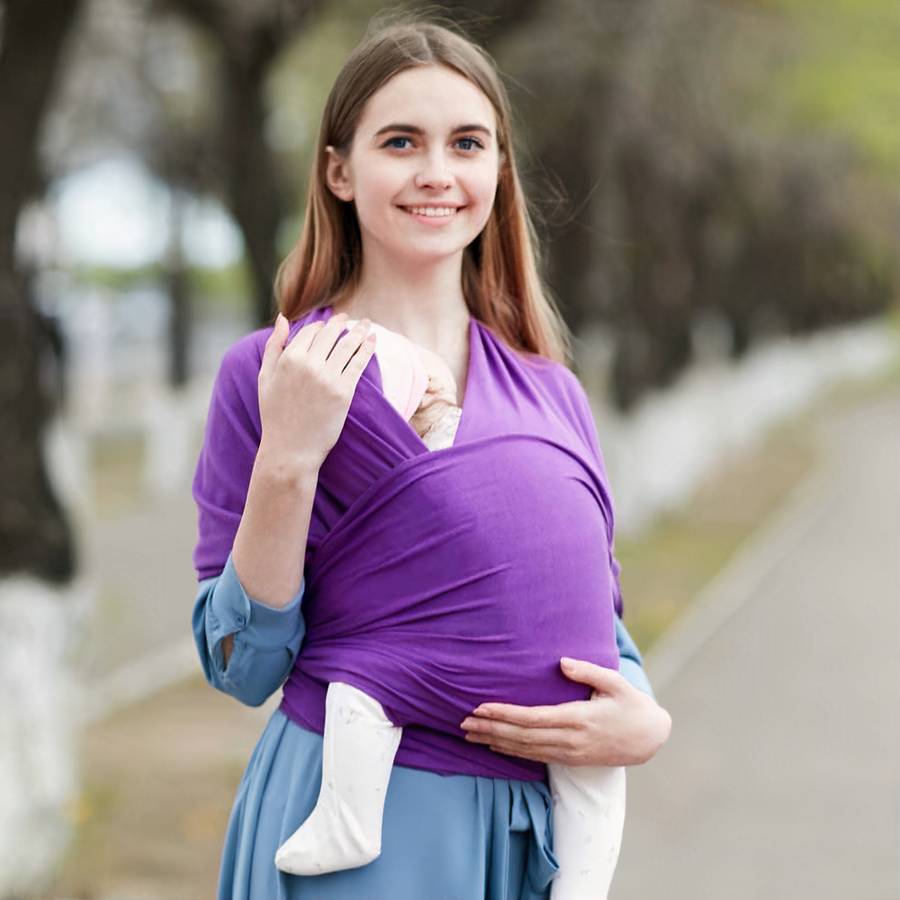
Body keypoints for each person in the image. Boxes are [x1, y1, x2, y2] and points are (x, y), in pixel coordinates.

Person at [191, 16, 672, 900]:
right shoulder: (271, 374)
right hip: (375, 836)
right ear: (340, 170)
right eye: (400, 142)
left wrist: (640, 718)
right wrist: (289, 462)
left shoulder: (550, 389)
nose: (437, 173)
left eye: (467, 143)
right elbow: (240, 666)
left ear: (497, 170)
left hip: (533, 837)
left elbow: (588, 608)